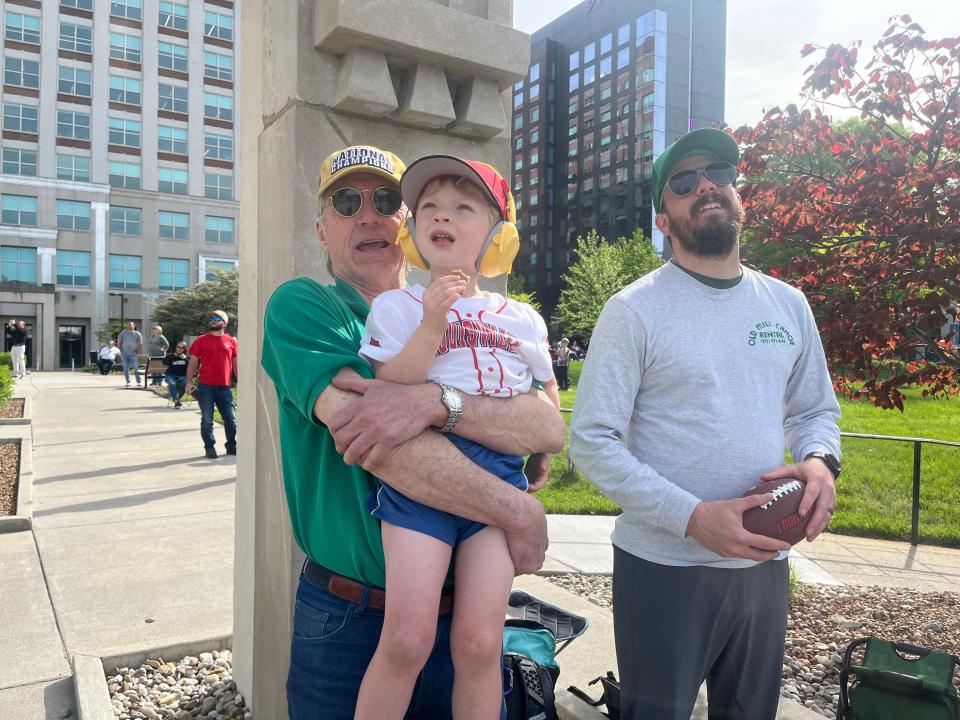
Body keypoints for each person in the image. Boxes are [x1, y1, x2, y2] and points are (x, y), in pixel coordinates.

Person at [260, 145, 564, 720]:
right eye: (346, 202)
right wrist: (517, 509)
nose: (369, 215)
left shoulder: (495, 317)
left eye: (386, 200)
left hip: (463, 613)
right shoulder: (306, 307)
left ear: (405, 221)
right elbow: (374, 433)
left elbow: (546, 424)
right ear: (322, 230)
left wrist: (433, 401)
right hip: (351, 620)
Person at [569, 128, 842, 720]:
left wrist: (820, 460)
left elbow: (815, 409)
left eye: (719, 173)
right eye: (684, 183)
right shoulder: (633, 309)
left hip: (766, 562)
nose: (707, 188)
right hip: (665, 566)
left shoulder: (788, 305)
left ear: (740, 194)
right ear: (663, 220)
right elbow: (590, 441)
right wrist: (692, 518)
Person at [353, 156, 561, 718]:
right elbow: (389, 392)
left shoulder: (521, 318)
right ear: (415, 227)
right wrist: (431, 326)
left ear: (496, 234)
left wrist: (539, 449)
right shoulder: (396, 307)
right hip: (425, 479)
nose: (442, 215)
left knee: (479, 644)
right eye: (429, 207)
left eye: (463, 207)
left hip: (498, 484)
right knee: (407, 639)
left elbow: (547, 402)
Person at [185, 311, 237, 458]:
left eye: (217, 319)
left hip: (224, 387)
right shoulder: (201, 340)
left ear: (224, 323)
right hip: (205, 386)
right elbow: (193, 362)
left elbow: (235, 364)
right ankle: (209, 447)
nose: (213, 321)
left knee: (231, 419)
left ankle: (232, 446)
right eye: (211, 319)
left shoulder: (231, 341)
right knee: (207, 420)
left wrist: (239, 382)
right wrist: (189, 382)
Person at [117, 322, 143, 386]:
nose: (130, 326)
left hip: (133, 354)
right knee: (125, 368)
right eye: (128, 325)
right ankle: (128, 381)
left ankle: (139, 381)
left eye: (131, 325)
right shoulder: (123, 332)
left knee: (136, 368)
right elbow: (119, 340)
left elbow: (140, 342)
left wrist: (136, 350)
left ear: (134, 326)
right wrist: (120, 349)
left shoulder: (137, 333)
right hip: (124, 354)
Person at [163, 342, 189, 407]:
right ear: (176, 348)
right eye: (178, 347)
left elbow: (191, 366)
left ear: (184, 349)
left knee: (185, 383)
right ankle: (176, 400)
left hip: (182, 376)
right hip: (171, 376)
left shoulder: (186, 357)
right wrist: (174, 356)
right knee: (172, 384)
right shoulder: (172, 355)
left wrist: (185, 359)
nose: (179, 349)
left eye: (182, 348)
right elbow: (164, 362)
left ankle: (177, 399)